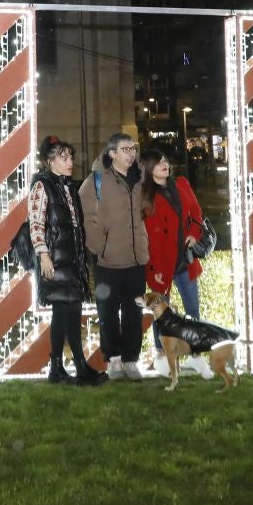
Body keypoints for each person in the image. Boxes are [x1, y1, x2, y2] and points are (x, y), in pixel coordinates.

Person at [28, 138, 103, 386]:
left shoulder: (69, 186)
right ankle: (65, 367)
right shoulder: (42, 185)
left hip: (71, 258)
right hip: (55, 259)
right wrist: (44, 255)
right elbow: (36, 223)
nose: (70, 162)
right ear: (50, 161)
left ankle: (69, 367)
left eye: (70, 157)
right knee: (62, 311)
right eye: (64, 158)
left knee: (72, 310)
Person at [81, 131, 149, 380]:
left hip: (136, 259)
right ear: (112, 154)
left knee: (134, 313)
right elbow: (87, 218)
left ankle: (131, 360)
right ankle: (114, 359)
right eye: (125, 149)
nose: (131, 154)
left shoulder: (141, 178)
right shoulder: (97, 181)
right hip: (108, 261)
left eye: (133, 149)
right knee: (108, 313)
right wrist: (100, 246)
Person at [138, 148, 204, 376]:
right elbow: (147, 236)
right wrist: (153, 268)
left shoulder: (182, 184)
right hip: (160, 263)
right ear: (149, 169)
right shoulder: (145, 195)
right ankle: (161, 356)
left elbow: (196, 213)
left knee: (192, 309)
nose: (164, 165)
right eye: (158, 163)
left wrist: (194, 234)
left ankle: (195, 354)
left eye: (165, 160)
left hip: (184, 260)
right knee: (161, 313)